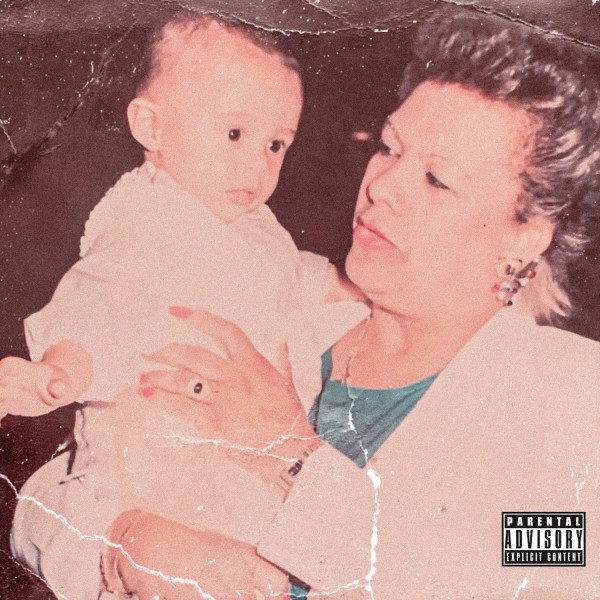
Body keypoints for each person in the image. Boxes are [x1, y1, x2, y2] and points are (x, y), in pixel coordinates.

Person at [12, 12, 600, 600]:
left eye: (437, 179)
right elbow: (58, 486)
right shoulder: (279, 296)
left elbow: (545, 577)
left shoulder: (567, 396)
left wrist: (291, 454)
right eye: (390, 148)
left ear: (526, 235)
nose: (382, 186)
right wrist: (125, 544)